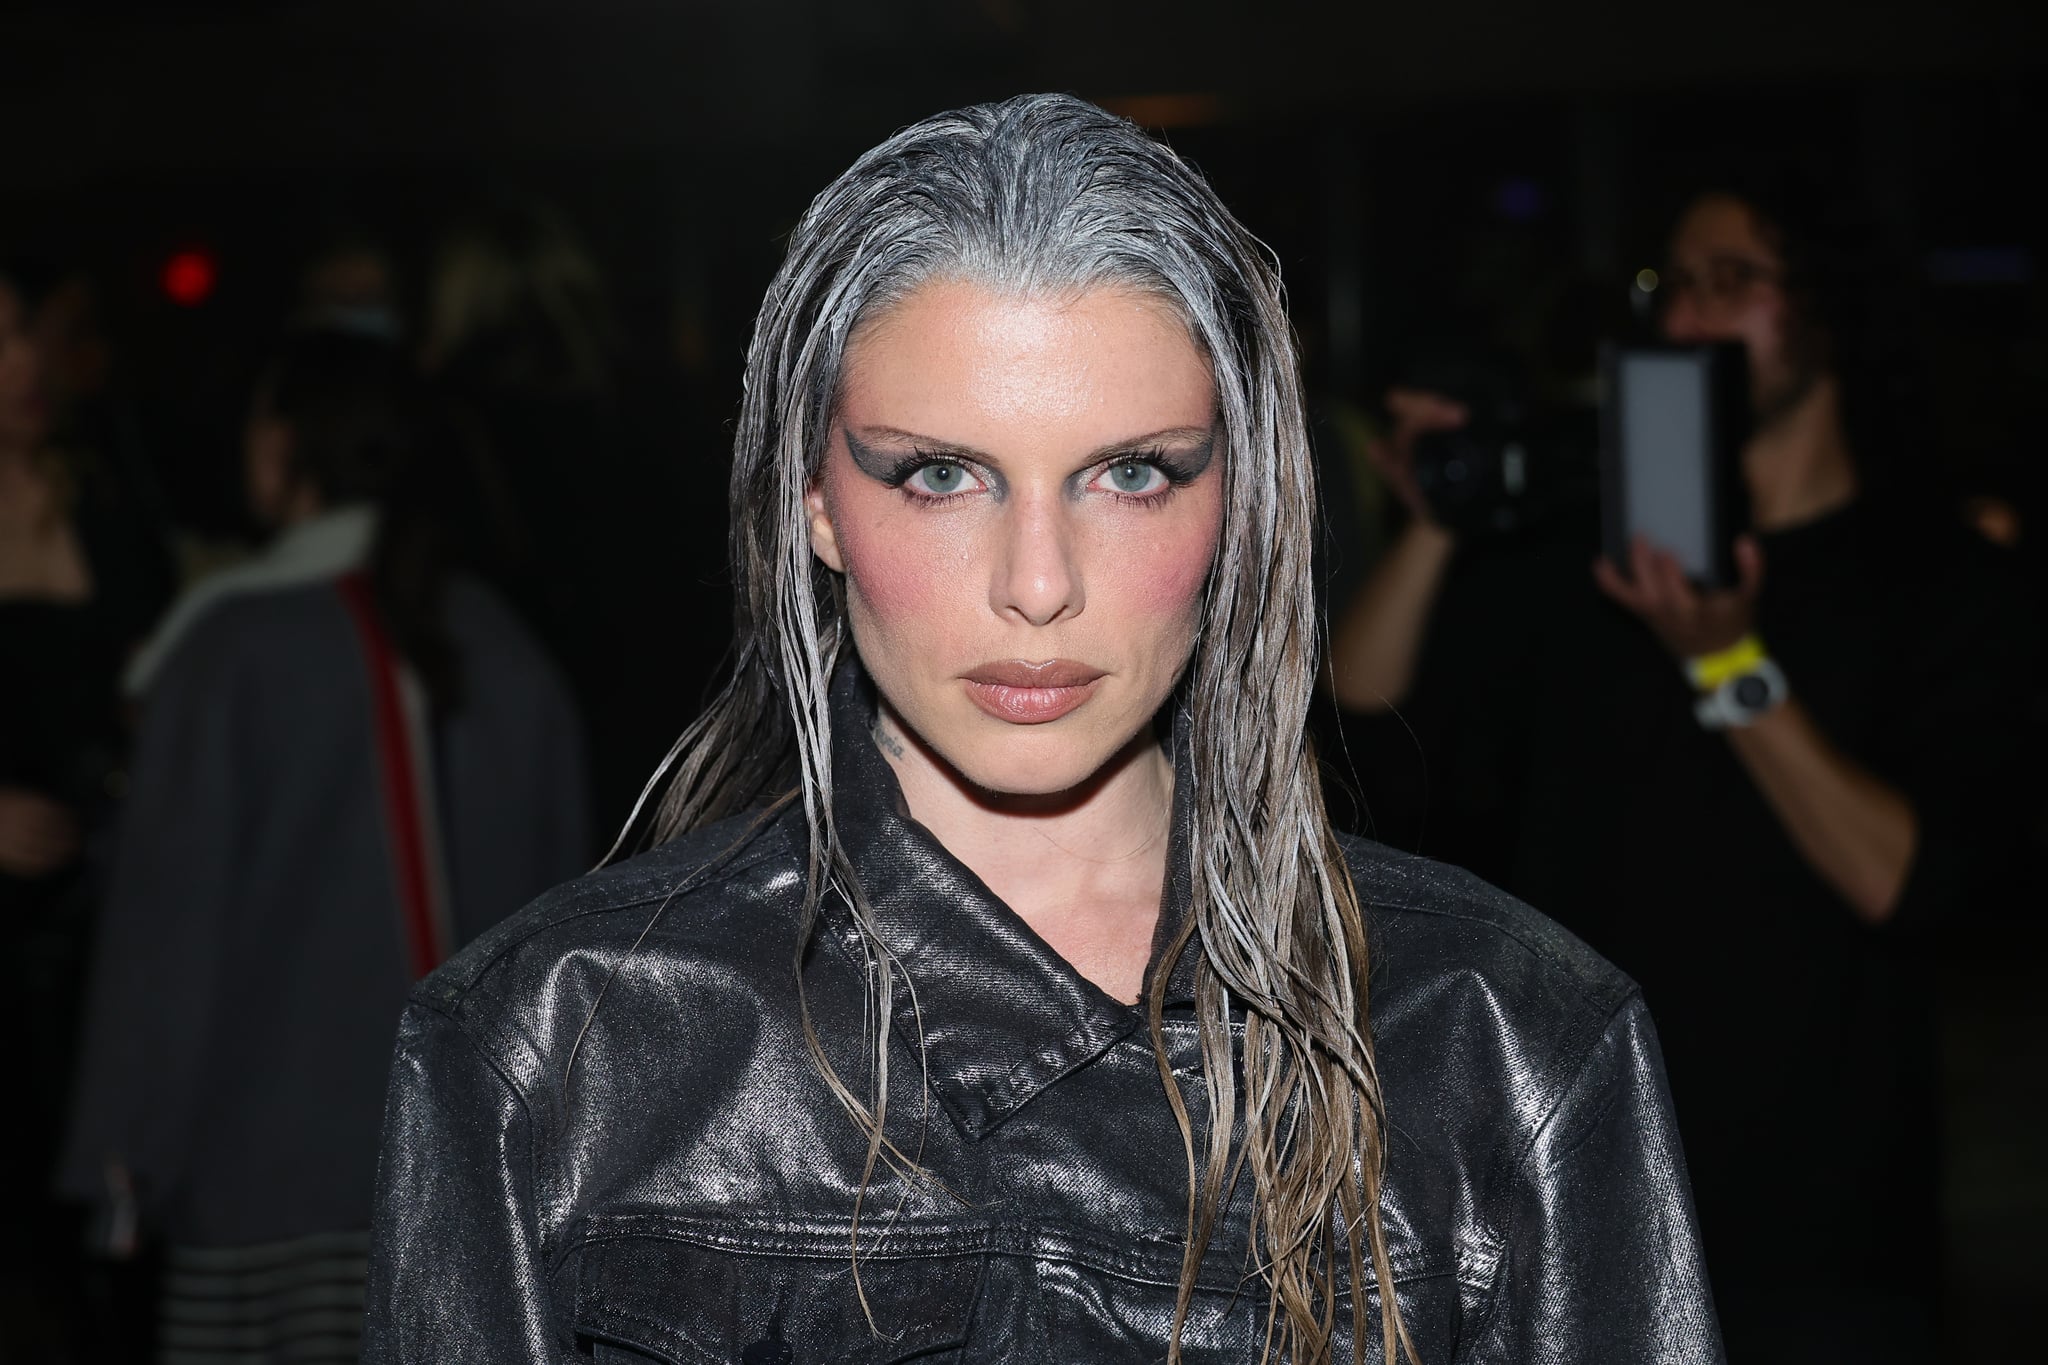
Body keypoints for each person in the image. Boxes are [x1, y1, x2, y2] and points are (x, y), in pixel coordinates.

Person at [365, 95, 1721, 1364]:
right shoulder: (551, 1055)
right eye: (941, 474)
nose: (1036, 581)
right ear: (815, 500)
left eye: (1130, 473)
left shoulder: (1500, 1041)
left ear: (1236, 502)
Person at [1329, 184, 2039, 1359]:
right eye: (1673, 286)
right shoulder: (1596, 553)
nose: (1692, 319)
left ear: (1827, 307)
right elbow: (1359, 735)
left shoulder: (1938, 577)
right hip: (1569, 1203)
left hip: (1816, 1233)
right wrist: (1443, 514)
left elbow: (1903, 882)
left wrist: (1726, 665)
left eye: (1732, 280)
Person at [61, 328, 589, 1364]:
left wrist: (121, 1164)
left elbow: (167, 933)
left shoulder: (229, 647)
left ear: (279, 449)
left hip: (267, 1185)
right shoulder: (505, 645)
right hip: (481, 1193)